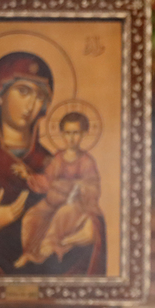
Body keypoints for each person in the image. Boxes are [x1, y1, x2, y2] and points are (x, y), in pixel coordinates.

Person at [0, 51, 105, 276]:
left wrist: (92, 231)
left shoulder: (52, 162)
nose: (32, 104)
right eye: (23, 91)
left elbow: (86, 213)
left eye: (40, 96)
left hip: (50, 290)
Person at [12, 111, 104, 269]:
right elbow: (48, 180)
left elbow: (93, 186)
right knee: (32, 216)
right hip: (52, 202)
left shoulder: (87, 161)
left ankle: (46, 249)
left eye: (76, 133)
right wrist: (28, 175)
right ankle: (29, 253)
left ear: (84, 134)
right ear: (62, 134)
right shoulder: (58, 158)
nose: (71, 138)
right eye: (67, 133)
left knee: (62, 214)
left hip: (75, 205)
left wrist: (82, 187)